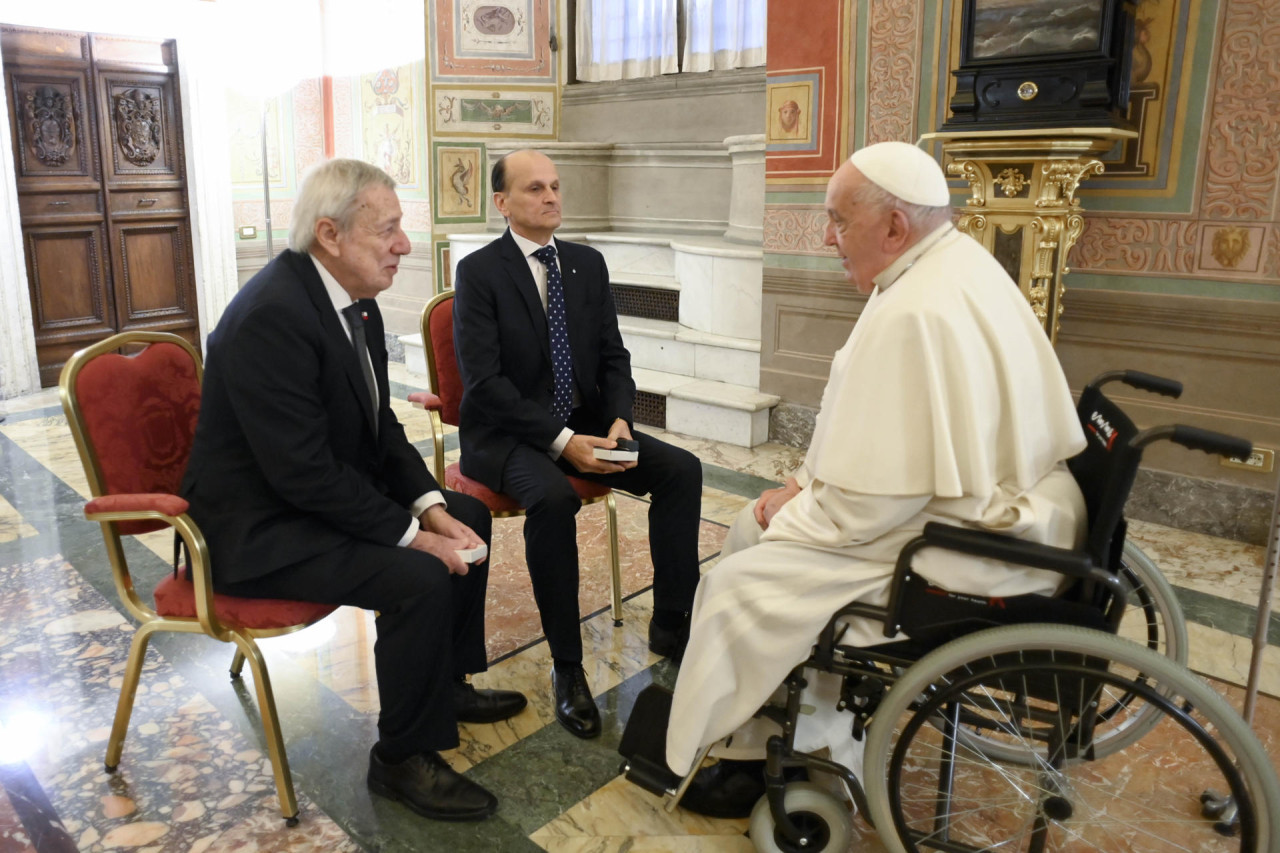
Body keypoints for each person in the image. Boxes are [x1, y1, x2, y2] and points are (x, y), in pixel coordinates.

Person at [660, 141, 1088, 816]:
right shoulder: (951, 263)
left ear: (894, 227)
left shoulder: (916, 308)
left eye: (839, 219)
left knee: (738, 582)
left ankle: (780, 746)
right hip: (1001, 507)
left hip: (964, 540)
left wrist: (795, 509)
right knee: (758, 529)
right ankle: (781, 728)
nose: (829, 238)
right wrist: (804, 485)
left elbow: (870, 506)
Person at [180, 159, 526, 822]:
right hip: (258, 528)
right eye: (389, 230)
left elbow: (380, 424)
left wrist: (429, 506)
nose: (404, 245)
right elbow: (301, 472)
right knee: (418, 575)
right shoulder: (271, 316)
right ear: (330, 235)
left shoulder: (352, 301)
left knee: (466, 510)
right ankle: (401, 756)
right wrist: (412, 535)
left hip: (307, 497)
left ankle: (442, 684)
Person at [452, 149, 703, 740]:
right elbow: (484, 386)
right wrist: (563, 443)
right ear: (502, 203)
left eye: (556, 187)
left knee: (681, 470)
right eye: (535, 188)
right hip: (508, 436)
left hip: (588, 423)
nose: (551, 198)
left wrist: (618, 420)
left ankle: (671, 619)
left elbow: (614, 355)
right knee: (553, 500)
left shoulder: (587, 264)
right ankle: (569, 668)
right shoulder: (480, 272)